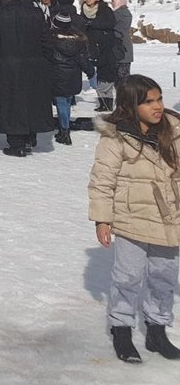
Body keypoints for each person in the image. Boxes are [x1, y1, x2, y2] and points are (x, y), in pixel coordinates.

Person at [88, 75, 180, 363]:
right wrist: (102, 219)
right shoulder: (116, 137)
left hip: (169, 218)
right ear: (130, 105)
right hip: (131, 218)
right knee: (128, 277)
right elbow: (102, 181)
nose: (157, 106)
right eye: (148, 101)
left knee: (163, 276)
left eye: (160, 99)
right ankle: (122, 328)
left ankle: (156, 330)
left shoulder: (173, 131)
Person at [0, 0, 53, 156]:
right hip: (34, 63)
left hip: (6, 63)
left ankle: (16, 143)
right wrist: (47, 59)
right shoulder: (36, 13)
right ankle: (31, 135)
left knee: (10, 103)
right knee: (32, 100)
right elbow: (46, 40)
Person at [46, 10, 86, 145]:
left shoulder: (51, 39)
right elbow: (84, 59)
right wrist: (91, 72)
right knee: (67, 103)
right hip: (73, 76)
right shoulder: (79, 40)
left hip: (57, 75)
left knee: (61, 104)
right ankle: (65, 128)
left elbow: (47, 57)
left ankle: (64, 131)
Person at [82, 0, 122, 112]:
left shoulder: (105, 10)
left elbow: (110, 23)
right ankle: (103, 101)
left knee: (106, 73)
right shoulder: (83, 10)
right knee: (99, 74)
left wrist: (93, 24)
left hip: (105, 44)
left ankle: (107, 102)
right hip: (91, 45)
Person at [111, 0, 134, 82]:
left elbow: (115, 27)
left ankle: (124, 93)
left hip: (121, 46)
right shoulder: (122, 12)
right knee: (122, 74)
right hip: (122, 46)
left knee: (122, 76)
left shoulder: (120, 13)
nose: (111, 3)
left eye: (113, 1)